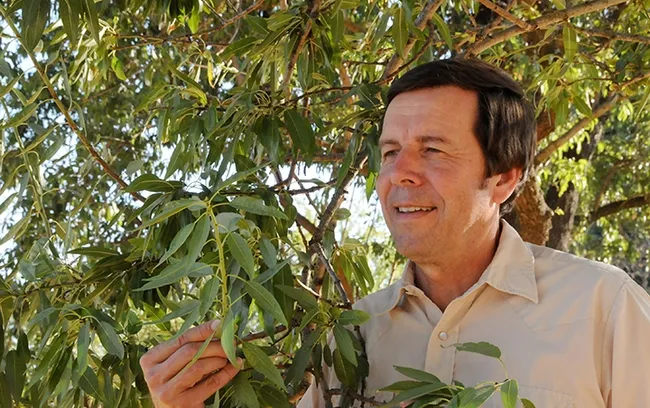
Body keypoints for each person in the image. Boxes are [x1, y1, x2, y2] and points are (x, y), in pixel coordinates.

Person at [140, 58, 650, 407]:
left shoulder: (604, 310)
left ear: (504, 178)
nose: (398, 174)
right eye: (389, 152)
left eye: (432, 149)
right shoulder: (348, 336)